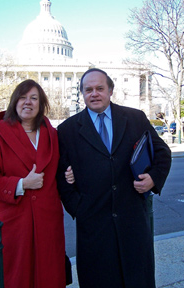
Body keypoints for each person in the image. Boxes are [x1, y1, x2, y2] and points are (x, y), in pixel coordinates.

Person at [57, 68, 172, 288]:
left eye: (100, 88)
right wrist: (78, 208)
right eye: (88, 89)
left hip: (133, 223)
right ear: (82, 93)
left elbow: (162, 153)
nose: (94, 93)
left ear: (110, 90)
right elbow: (60, 176)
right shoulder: (67, 130)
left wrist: (153, 179)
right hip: (93, 227)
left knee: (138, 280)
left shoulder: (135, 118)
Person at [0, 79, 73, 288]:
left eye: (34, 98)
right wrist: (21, 184)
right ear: (14, 102)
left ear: (41, 104)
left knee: (49, 275)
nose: (28, 102)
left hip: (48, 219)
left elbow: (62, 167)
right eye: (22, 97)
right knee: (17, 277)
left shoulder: (53, 135)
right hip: (15, 220)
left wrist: (69, 174)